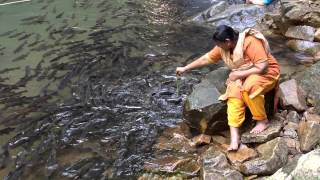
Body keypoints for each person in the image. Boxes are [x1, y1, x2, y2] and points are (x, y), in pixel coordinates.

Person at [176, 25, 280, 151]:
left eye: (219, 45)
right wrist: (185, 68)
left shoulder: (250, 42)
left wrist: (238, 74)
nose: (218, 47)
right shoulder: (224, 47)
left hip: (266, 72)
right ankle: (235, 139)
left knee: (249, 87)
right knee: (233, 97)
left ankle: (262, 120)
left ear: (228, 41)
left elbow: (262, 66)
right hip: (243, 74)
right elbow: (206, 58)